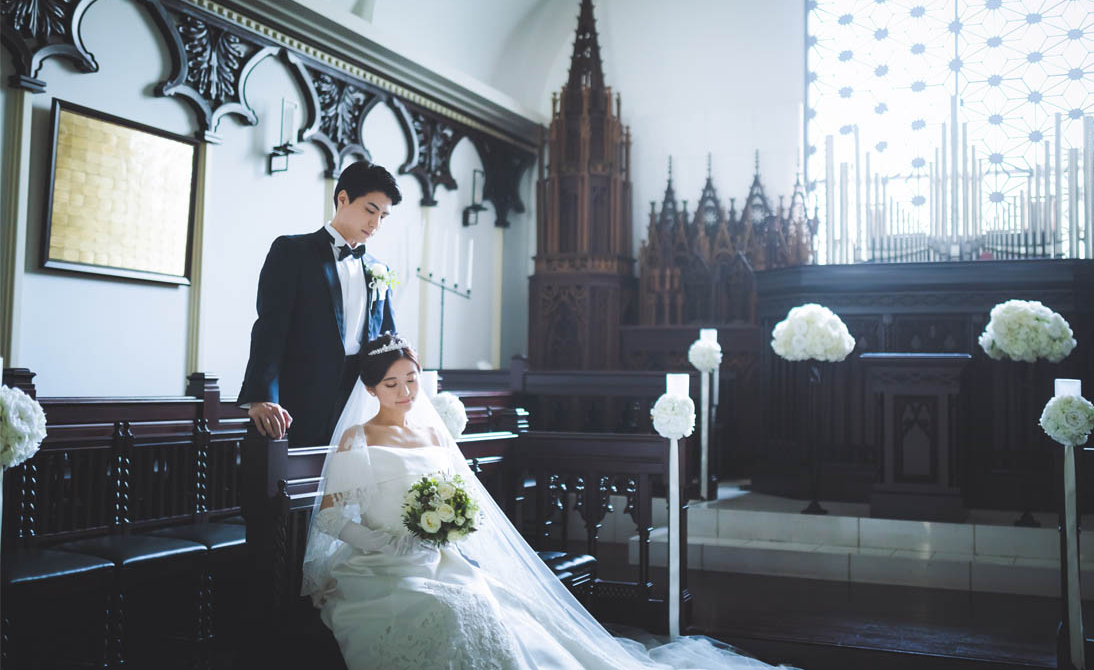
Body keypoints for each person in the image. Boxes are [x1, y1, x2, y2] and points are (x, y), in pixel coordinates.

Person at [304, 332, 795, 669]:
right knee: (442, 612)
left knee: (487, 603)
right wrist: (383, 544)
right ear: (371, 389)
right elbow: (329, 517)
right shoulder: (358, 440)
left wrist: (447, 528)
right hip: (380, 566)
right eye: (392, 384)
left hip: (438, 556)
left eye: (411, 378)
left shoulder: (431, 430)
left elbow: (460, 496)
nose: (406, 391)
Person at [237, 161, 402, 447]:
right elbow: (270, 328)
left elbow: (387, 340)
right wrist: (261, 397)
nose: (375, 224)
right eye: (370, 210)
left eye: (384, 217)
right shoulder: (292, 251)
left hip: (359, 405)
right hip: (299, 403)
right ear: (343, 199)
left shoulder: (379, 270)